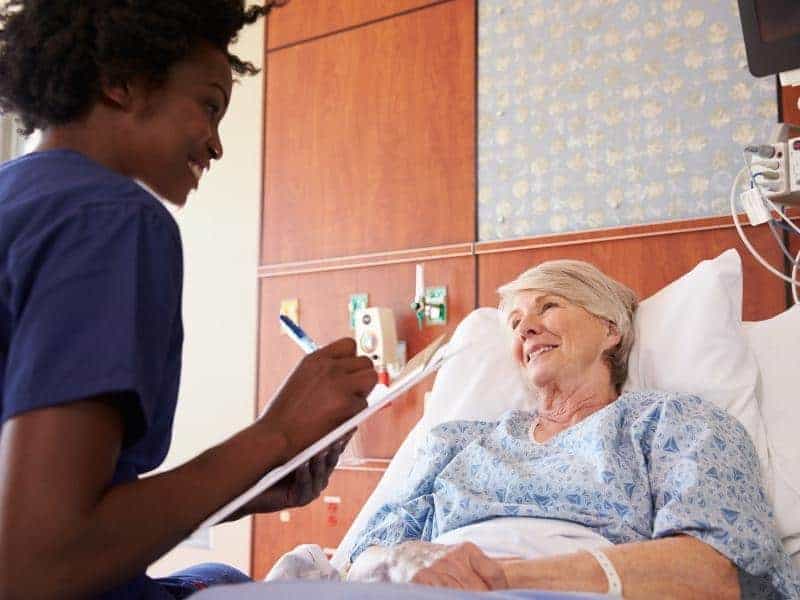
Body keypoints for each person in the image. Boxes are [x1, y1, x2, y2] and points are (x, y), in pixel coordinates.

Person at [0, 1, 377, 598]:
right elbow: (36, 566)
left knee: (218, 575)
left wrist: (245, 480)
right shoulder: (111, 219)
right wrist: (273, 437)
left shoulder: (17, 199)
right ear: (121, 82)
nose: (216, 145)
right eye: (208, 106)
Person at [346, 260, 800, 599]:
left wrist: (499, 578)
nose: (526, 328)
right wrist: (398, 560)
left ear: (610, 330)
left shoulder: (673, 424)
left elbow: (715, 573)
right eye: (516, 323)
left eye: (549, 306)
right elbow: (358, 559)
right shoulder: (456, 443)